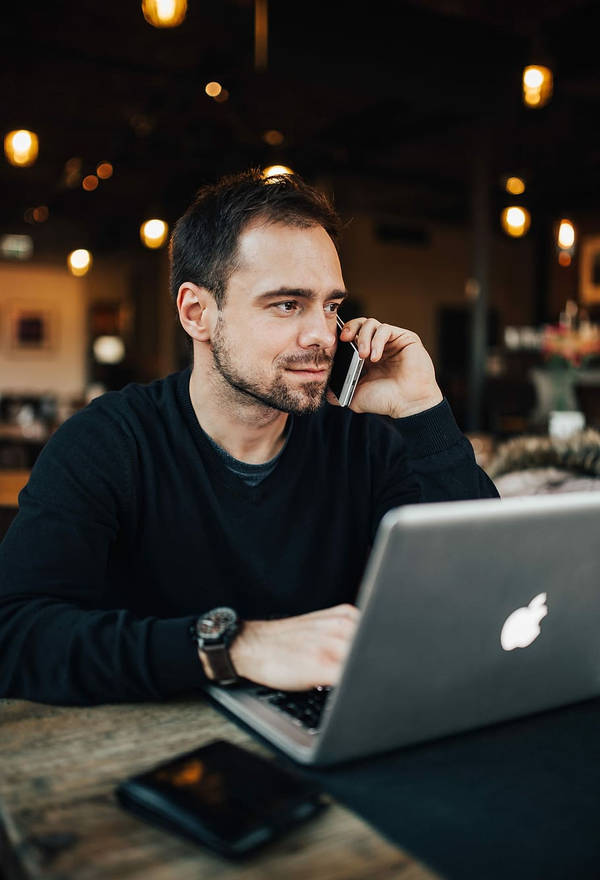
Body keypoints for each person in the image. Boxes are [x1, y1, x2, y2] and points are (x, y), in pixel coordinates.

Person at [0, 170, 498, 705]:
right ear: (198, 313)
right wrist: (236, 646)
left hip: (328, 739)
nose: (322, 335)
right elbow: (16, 634)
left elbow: (482, 592)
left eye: (331, 306)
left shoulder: (366, 446)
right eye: (287, 304)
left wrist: (425, 411)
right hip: (149, 751)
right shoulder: (107, 443)